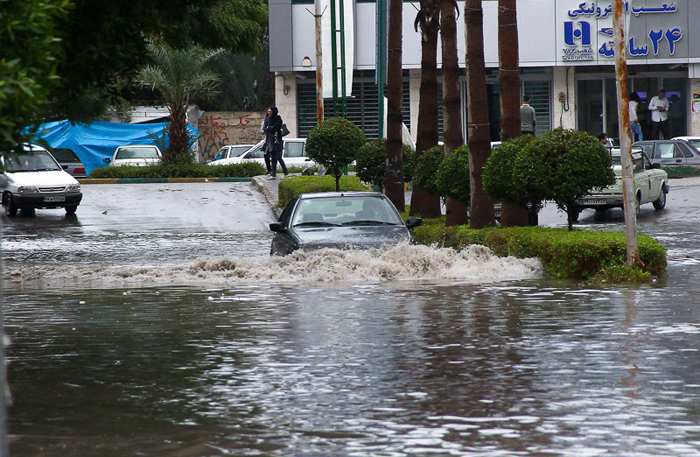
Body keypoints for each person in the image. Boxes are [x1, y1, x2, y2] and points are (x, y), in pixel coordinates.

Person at [262, 106, 288, 180]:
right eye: (268, 112)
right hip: (270, 140)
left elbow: (276, 128)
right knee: (272, 157)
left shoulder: (278, 118)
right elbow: (265, 128)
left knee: (278, 157)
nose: (269, 113)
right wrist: (270, 128)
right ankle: (273, 174)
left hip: (277, 140)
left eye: (270, 112)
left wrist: (269, 128)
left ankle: (286, 172)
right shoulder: (267, 119)